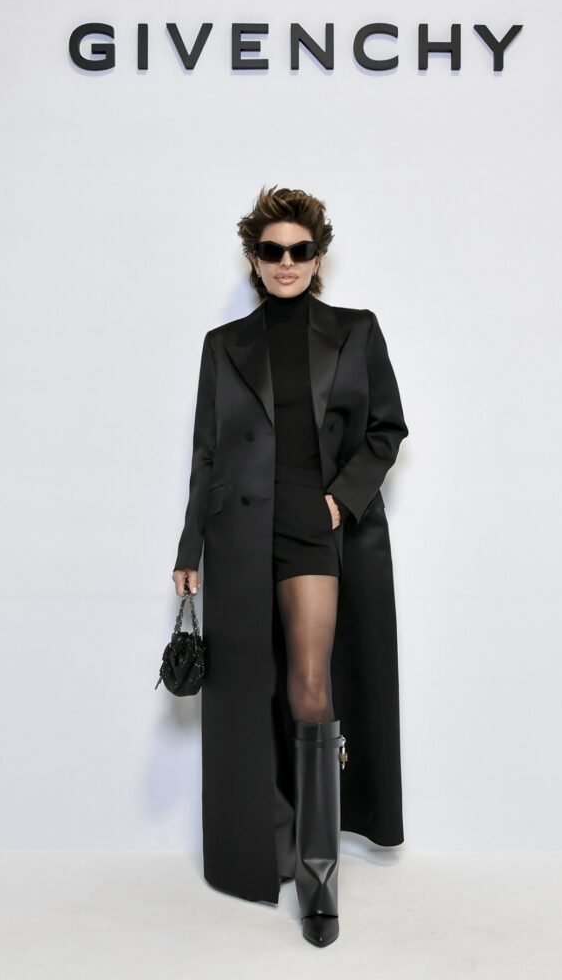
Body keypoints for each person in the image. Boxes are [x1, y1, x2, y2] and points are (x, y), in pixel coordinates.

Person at [172, 186, 408, 947]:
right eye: (271, 251)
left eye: (299, 251)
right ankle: (260, 852)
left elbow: (386, 429)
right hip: (240, 535)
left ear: (317, 256)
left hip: (312, 528)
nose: (285, 263)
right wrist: (188, 547)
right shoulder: (223, 345)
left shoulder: (355, 331)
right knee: (254, 691)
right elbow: (207, 453)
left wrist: (341, 501)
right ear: (253, 258)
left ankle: (318, 877)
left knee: (310, 684)